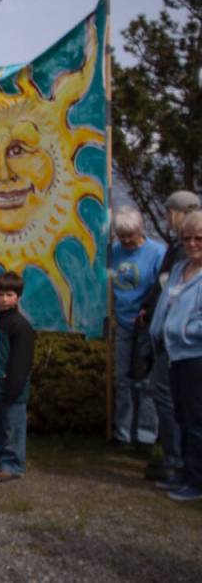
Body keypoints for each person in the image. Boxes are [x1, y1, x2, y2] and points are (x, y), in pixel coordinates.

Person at [140, 190, 201, 482]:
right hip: (168, 343)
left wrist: (181, 329)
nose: (191, 244)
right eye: (189, 239)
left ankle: (179, 460)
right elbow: (164, 291)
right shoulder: (180, 261)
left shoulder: (183, 255)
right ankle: (178, 460)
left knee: (176, 403)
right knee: (174, 401)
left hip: (187, 349)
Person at [110, 206, 165, 447]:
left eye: (130, 236)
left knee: (144, 382)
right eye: (122, 236)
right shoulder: (113, 251)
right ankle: (123, 432)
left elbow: (161, 289)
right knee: (121, 379)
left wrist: (149, 313)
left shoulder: (157, 252)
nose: (126, 242)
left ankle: (146, 435)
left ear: (140, 231)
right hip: (122, 322)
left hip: (146, 324)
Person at [0, 271, 35, 482]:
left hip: (12, 385)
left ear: (18, 297)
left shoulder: (21, 326)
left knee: (13, 427)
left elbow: (21, 361)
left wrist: (13, 388)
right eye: (0, 294)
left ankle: (13, 464)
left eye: (9, 295)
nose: (4, 299)